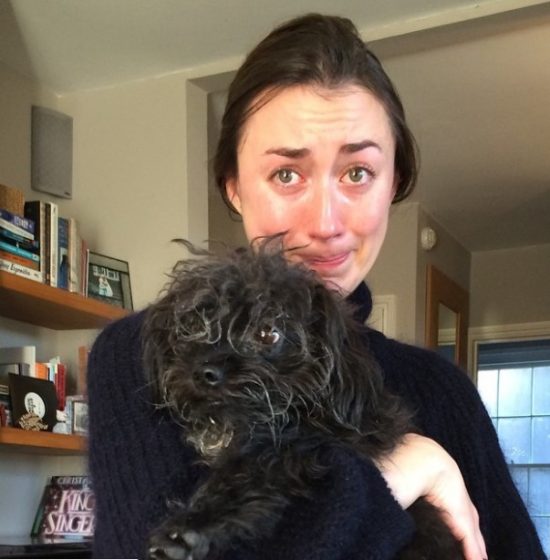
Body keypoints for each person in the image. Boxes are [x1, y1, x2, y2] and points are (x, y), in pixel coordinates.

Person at [87, 13, 545, 560]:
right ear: (233, 186)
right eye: (287, 174)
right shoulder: (143, 355)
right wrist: (404, 469)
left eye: (357, 173)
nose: (325, 222)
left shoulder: (444, 393)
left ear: (393, 181)